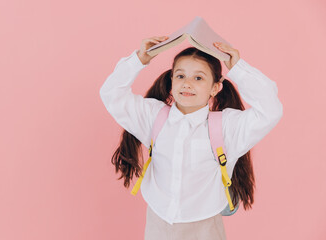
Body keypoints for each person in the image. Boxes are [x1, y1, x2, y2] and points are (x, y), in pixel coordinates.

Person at [99, 35, 283, 240]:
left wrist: (238, 69)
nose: (187, 84)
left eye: (198, 78)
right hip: (158, 224)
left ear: (215, 87)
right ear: (171, 81)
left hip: (204, 228)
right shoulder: (153, 117)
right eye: (180, 76)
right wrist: (139, 59)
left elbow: (270, 110)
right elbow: (111, 94)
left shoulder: (227, 127)